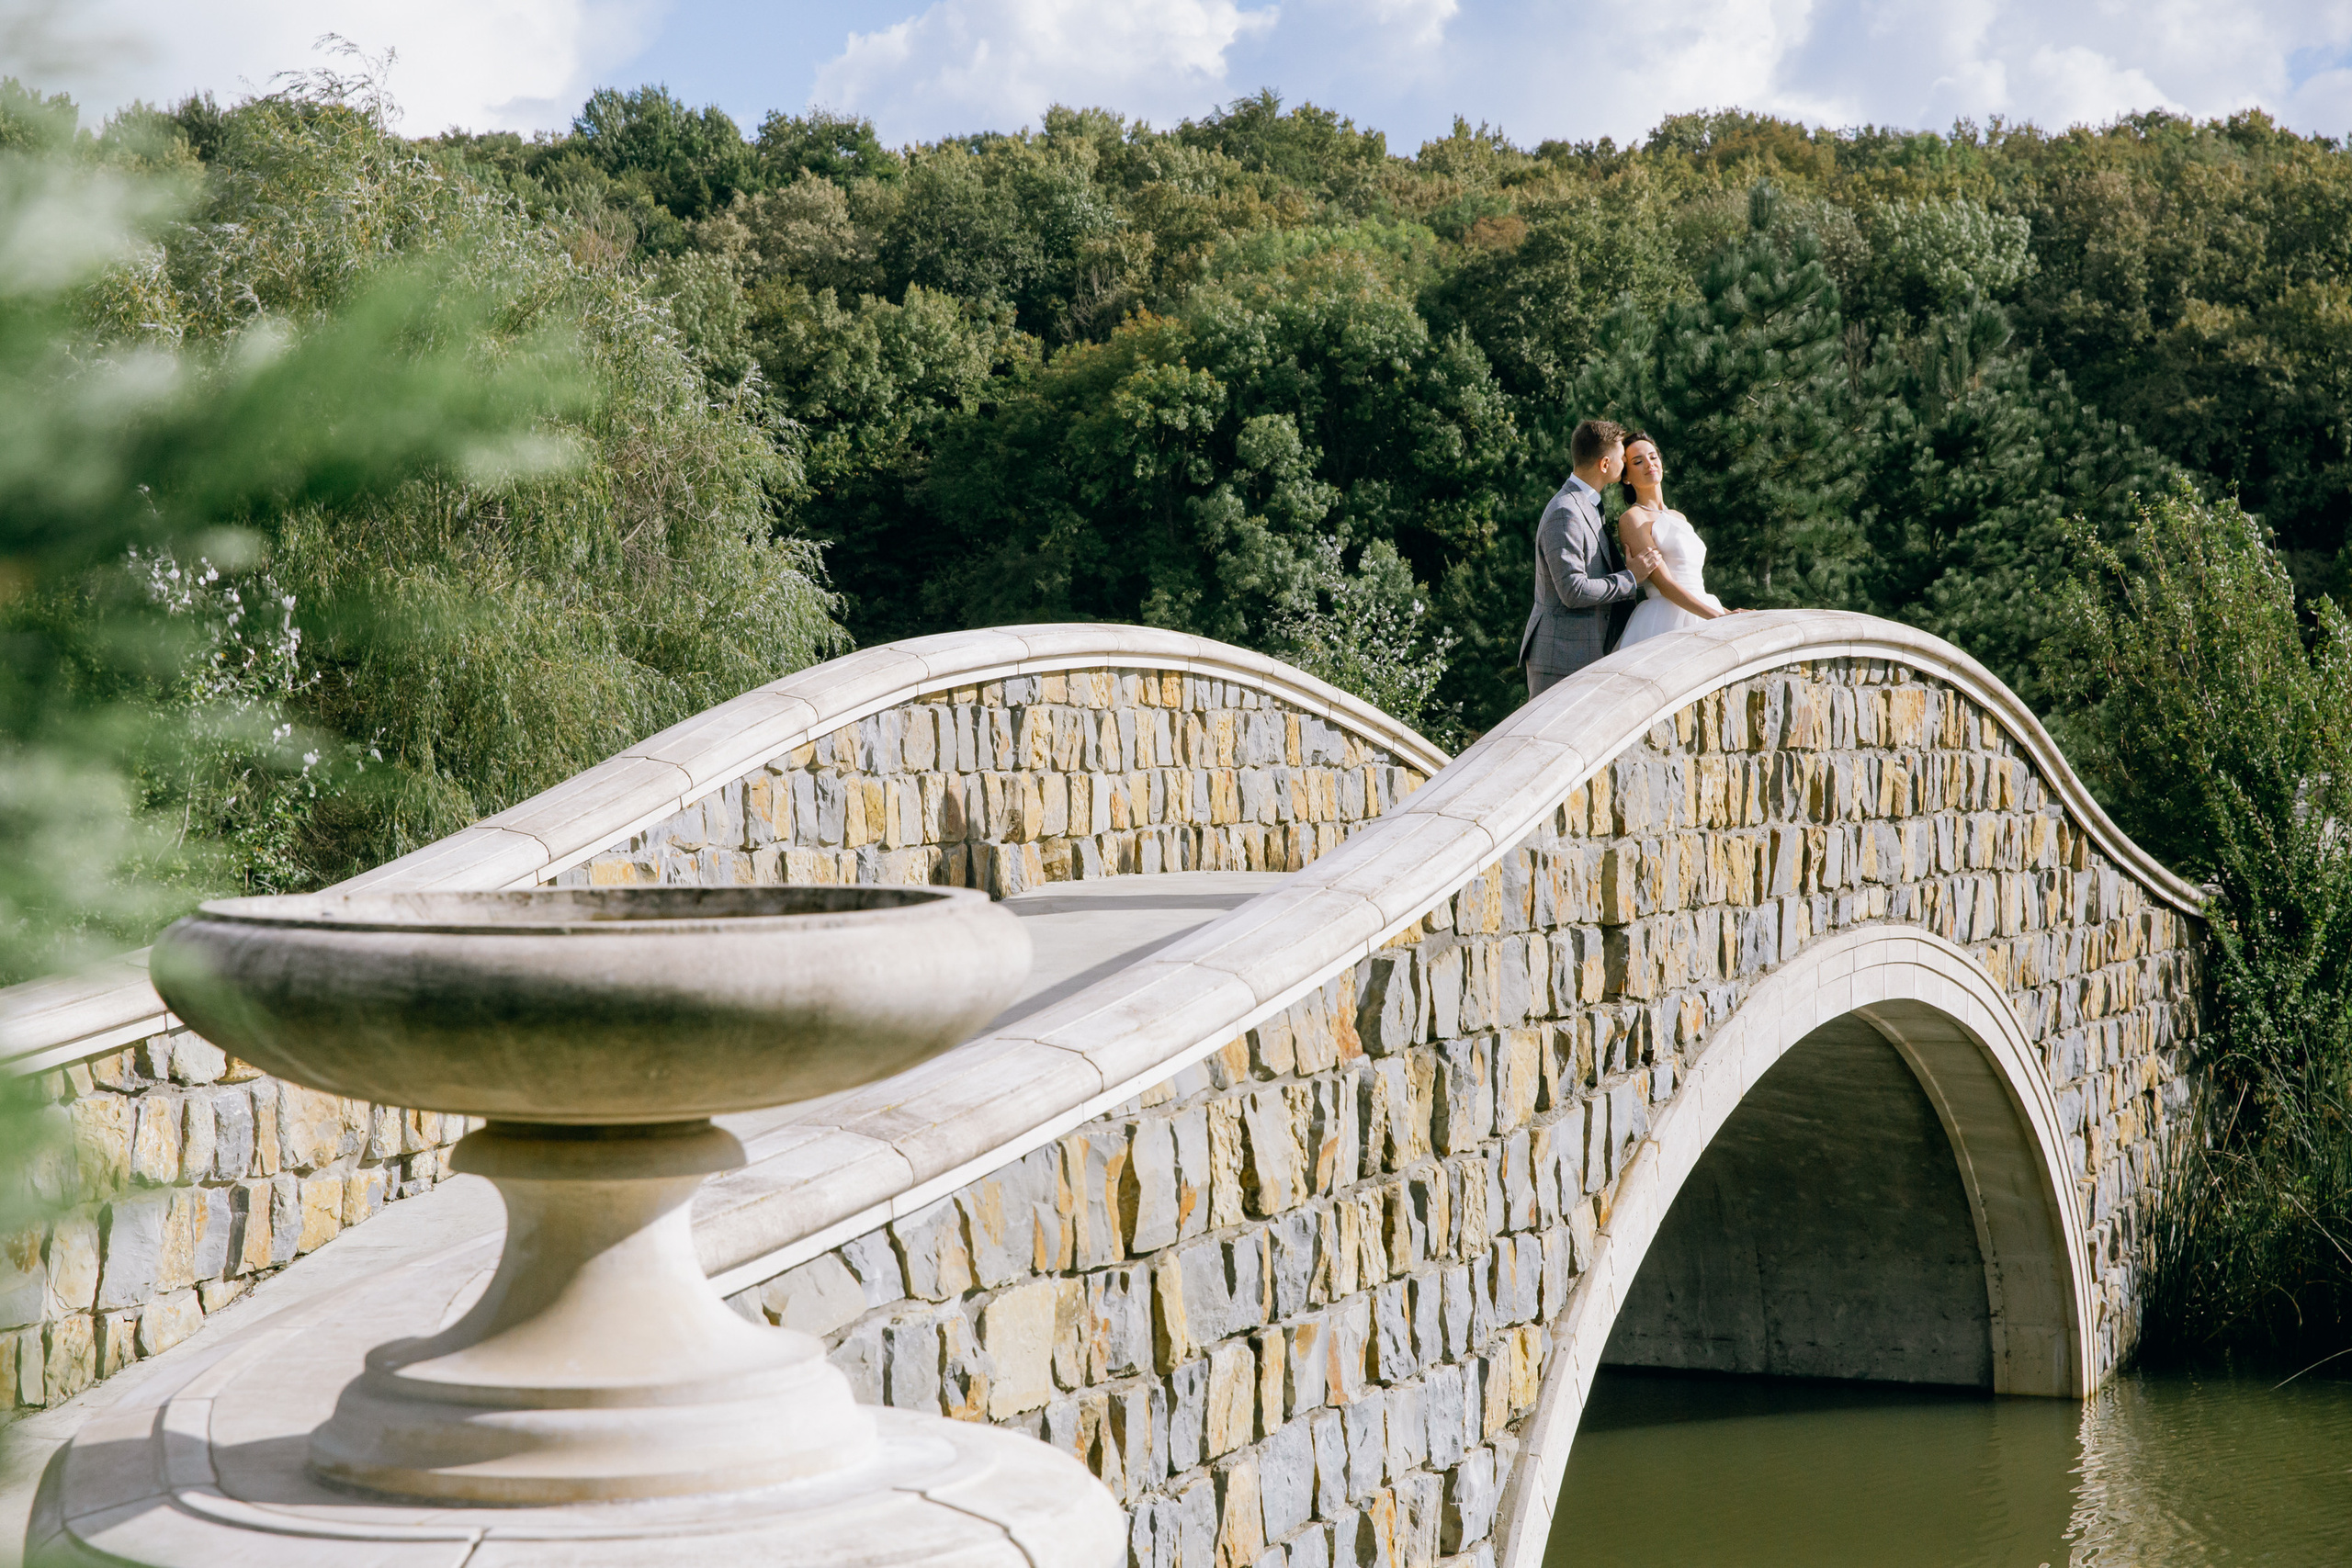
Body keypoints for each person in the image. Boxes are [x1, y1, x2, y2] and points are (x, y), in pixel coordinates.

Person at [1518, 418, 1660, 699]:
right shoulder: (1565, 511)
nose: (1625, 465)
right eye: (1622, 458)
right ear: (1605, 465)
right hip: (1561, 659)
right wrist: (1630, 578)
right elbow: (1573, 590)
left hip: (1586, 655)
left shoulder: (1589, 505)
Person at [1612, 432, 1734, 649]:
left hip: (1702, 607)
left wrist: (1728, 613)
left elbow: (1693, 583)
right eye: (1638, 461)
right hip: (1664, 618)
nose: (1649, 464)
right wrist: (1717, 618)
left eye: (1653, 457)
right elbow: (1666, 584)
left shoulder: (1679, 517)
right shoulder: (1633, 519)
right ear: (1626, 477)